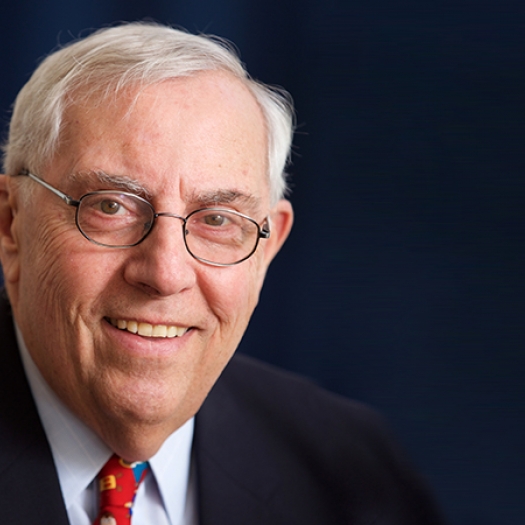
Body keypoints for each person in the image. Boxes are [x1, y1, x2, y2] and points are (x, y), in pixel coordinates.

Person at [0, 22, 445, 524]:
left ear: (268, 247)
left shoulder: (354, 471)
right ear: (11, 222)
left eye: (217, 220)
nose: (165, 274)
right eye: (111, 206)